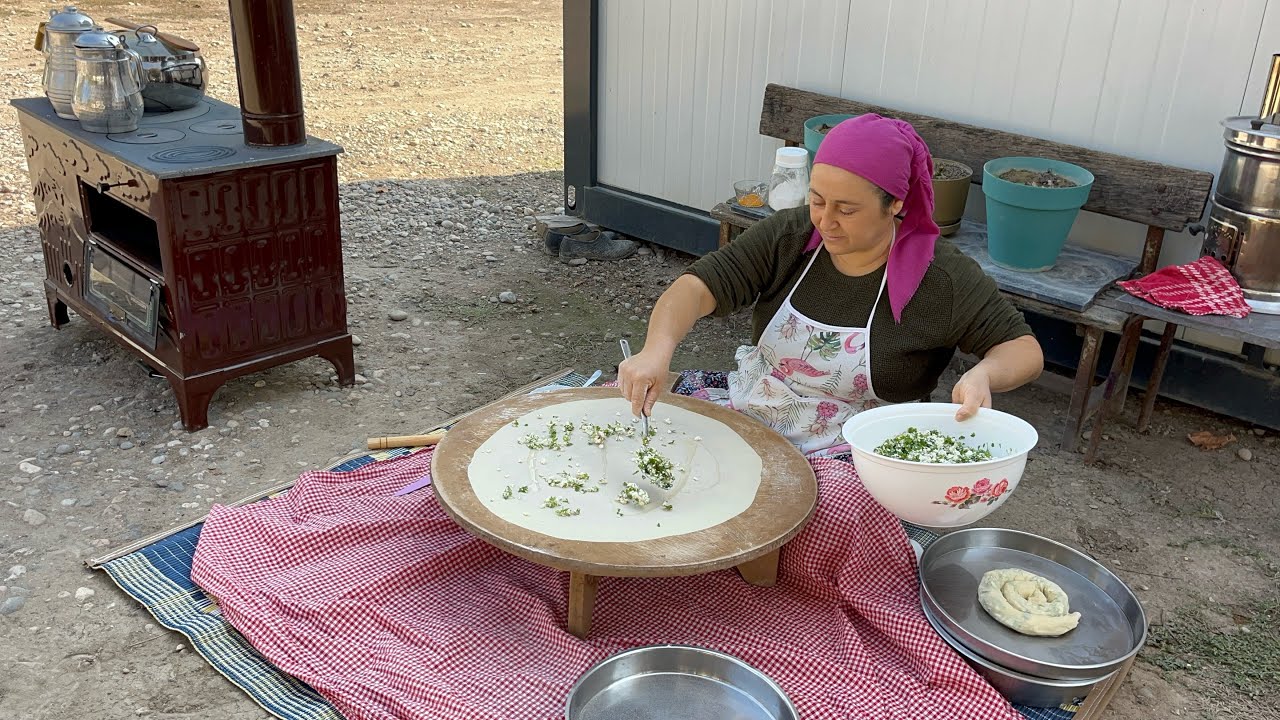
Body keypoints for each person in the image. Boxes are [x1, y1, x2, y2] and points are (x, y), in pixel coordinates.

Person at [618, 114, 1044, 457]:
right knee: (625, 423)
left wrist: (984, 374)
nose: (825, 220)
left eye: (847, 209)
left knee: (819, 520)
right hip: (755, 408)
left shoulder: (942, 277)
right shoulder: (790, 237)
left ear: (895, 204)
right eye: (818, 199)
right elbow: (696, 287)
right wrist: (656, 350)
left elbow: (1022, 349)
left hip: (859, 448)